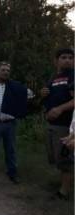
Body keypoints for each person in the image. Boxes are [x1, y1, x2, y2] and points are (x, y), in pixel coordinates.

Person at [40, 48, 74, 199]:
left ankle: (64, 192)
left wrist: (60, 109)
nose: (67, 60)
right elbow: (48, 97)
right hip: (52, 124)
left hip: (65, 125)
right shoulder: (53, 77)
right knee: (55, 158)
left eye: (70, 58)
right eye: (63, 57)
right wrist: (43, 94)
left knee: (64, 159)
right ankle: (61, 184)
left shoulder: (73, 76)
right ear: (56, 60)